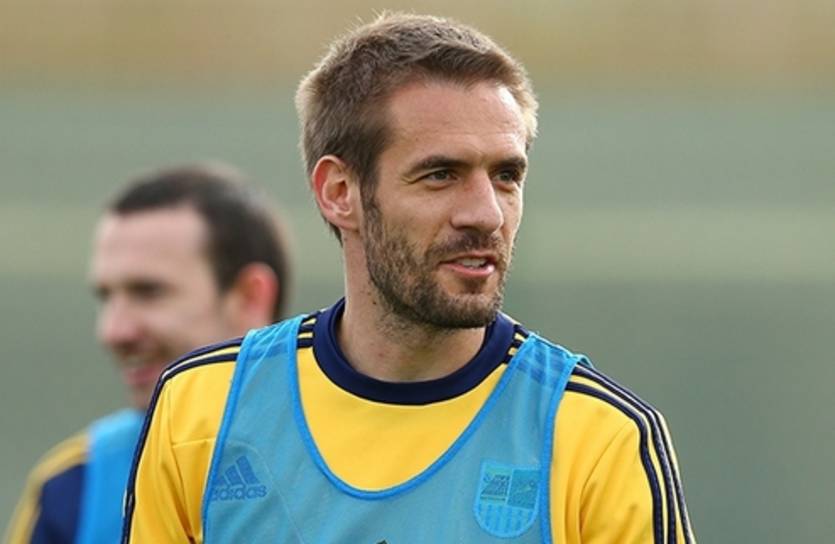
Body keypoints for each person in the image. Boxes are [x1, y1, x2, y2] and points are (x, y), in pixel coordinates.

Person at [123, 13, 695, 543]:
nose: (486, 214)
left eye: (505, 176)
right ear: (339, 193)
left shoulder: (601, 437)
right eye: (441, 174)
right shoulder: (201, 410)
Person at [4, 162, 291, 544]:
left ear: (249, 298)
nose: (113, 331)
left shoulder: (353, 456)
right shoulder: (72, 488)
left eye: (148, 292)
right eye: (106, 297)